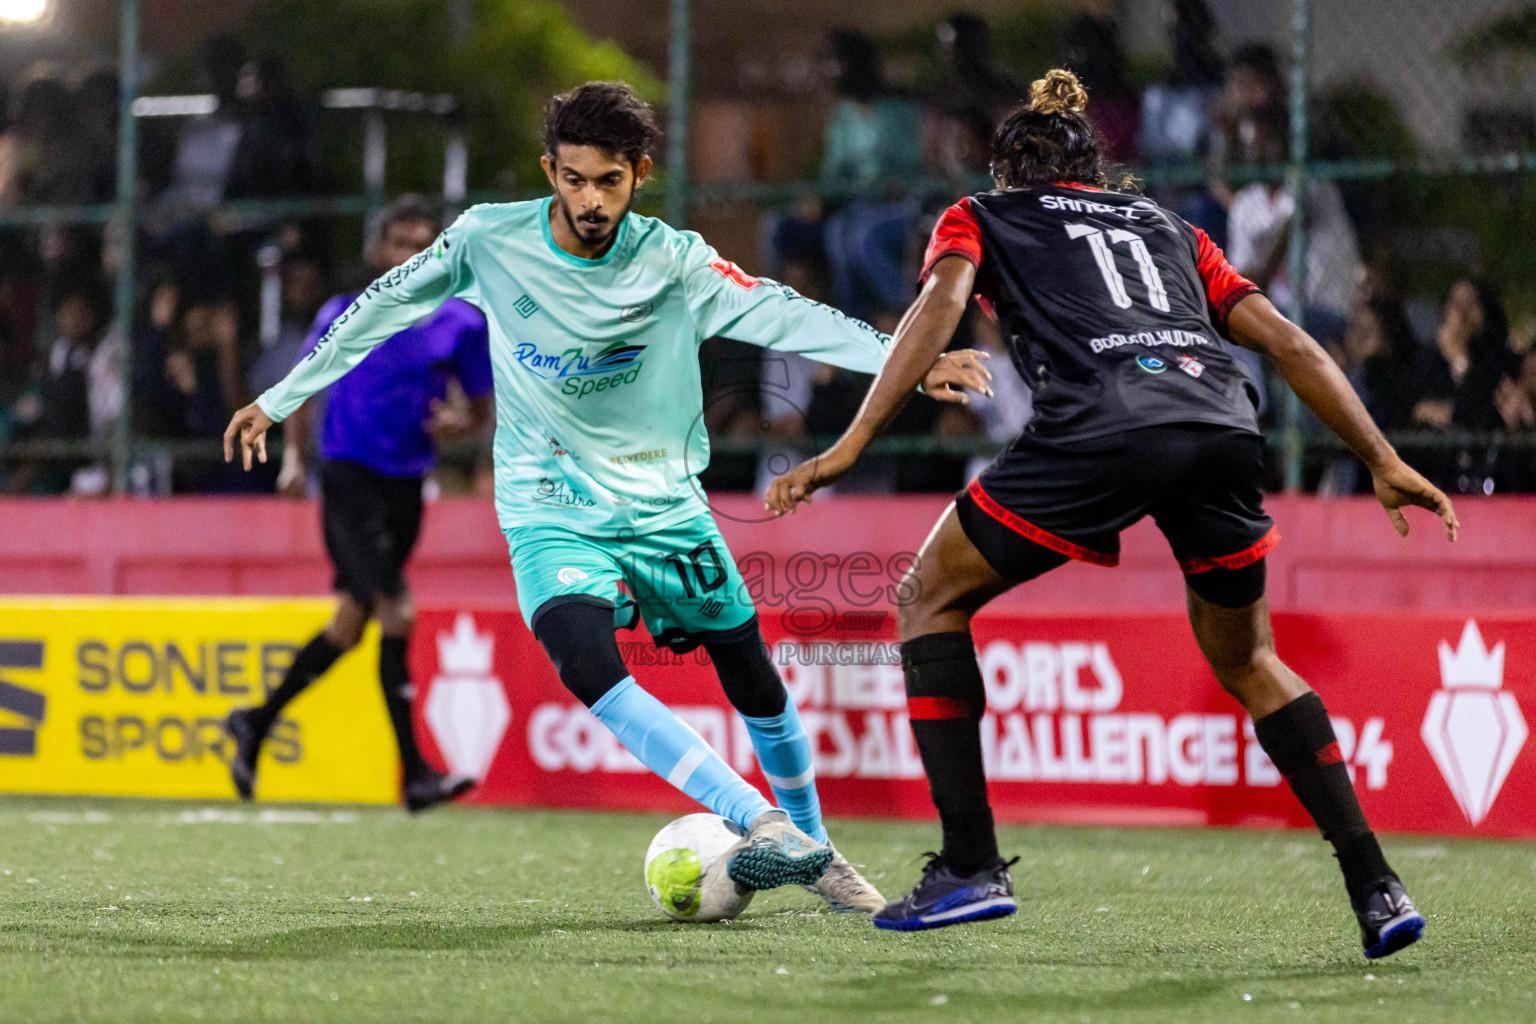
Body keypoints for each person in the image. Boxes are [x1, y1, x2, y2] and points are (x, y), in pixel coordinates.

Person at [224, 82, 991, 907]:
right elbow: (376, 308)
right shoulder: (488, 239)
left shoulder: (673, 259)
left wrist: (903, 358)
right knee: (587, 662)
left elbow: (777, 311)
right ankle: (758, 822)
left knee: (752, 676)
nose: (592, 201)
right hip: (548, 501)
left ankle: (817, 852)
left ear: (641, 174)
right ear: (550, 170)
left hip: (661, 501)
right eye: (576, 179)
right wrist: (282, 395)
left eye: (611, 182)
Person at [766, 70, 1458, 958]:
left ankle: (972, 865)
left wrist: (852, 444)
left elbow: (936, 306)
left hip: (1099, 427)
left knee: (927, 599)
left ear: (1009, 169)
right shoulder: (1174, 228)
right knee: (1251, 659)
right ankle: (1376, 885)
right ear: (1094, 167)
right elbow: (1288, 342)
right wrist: (1382, 458)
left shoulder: (982, 213)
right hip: (1219, 424)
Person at [225, 196, 493, 812]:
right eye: (397, 242)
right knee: (397, 611)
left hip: (406, 487)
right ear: (377, 249)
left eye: (422, 245)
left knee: (348, 628)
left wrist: (456, 424)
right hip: (346, 482)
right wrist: (295, 460)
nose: (407, 255)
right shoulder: (345, 313)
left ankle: (255, 721)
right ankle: (417, 775)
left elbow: (477, 408)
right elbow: (301, 385)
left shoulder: (459, 322)